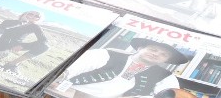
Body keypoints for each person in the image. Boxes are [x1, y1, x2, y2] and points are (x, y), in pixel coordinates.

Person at [63, 37, 194, 98]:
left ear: (166, 60)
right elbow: (71, 69)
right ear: (140, 48)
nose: (156, 54)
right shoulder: (106, 54)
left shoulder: (166, 76)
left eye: (163, 54)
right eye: (153, 49)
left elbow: (168, 95)